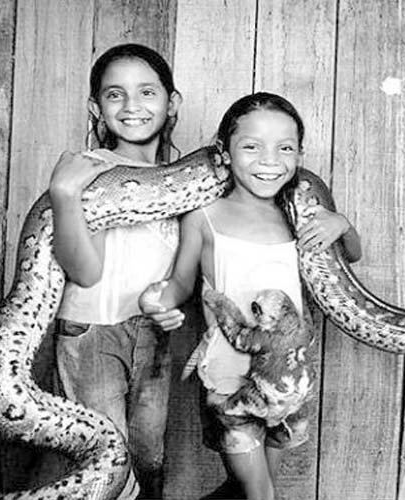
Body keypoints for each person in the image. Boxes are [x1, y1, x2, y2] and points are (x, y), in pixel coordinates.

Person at [139, 92, 362, 500]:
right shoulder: (204, 216)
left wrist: (342, 224)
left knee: (253, 491)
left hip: (288, 383)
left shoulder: (299, 216)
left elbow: (351, 257)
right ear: (223, 153)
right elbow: (182, 285)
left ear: (300, 155)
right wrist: (159, 301)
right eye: (251, 146)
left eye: (285, 148)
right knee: (261, 494)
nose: (269, 160)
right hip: (228, 381)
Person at [47, 43, 183, 500]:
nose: (132, 106)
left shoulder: (177, 182)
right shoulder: (91, 171)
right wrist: (65, 197)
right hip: (93, 334)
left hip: (151, 333)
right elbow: (84, 273)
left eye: (147, 92)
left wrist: (171, 305)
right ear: (96, 108)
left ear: (171, 102)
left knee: (149, 459)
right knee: (108, 468)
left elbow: (175, 270)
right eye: (114, 95)